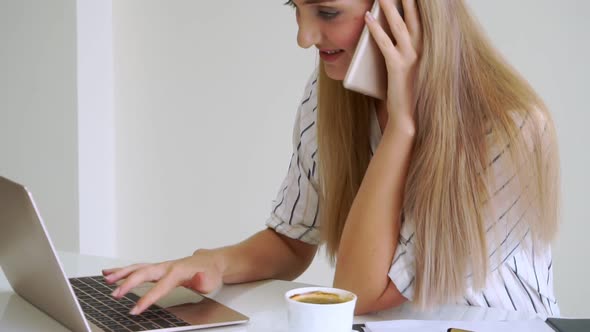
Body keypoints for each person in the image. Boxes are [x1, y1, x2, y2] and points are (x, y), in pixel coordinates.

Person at [103, 0, 560, 316]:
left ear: (403, 10)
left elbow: (357, 294)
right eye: (295, 9)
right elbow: (292, 241)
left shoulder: (511, 130)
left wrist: (401, 127)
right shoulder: (332, 97)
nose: (304, 37)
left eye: (327, 12)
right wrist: (214, 263)